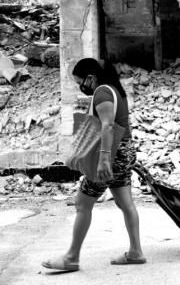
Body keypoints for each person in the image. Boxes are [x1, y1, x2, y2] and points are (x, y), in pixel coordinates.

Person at [42, 58, 146, 271]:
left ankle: (71, 257)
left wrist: (104, 159)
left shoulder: (102, 92)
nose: (81, 86)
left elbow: (107, 126)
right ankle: (135, 252)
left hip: (111, 156)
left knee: (82, 203)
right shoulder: (115, 90)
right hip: (124, 152)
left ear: (90, 77)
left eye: (80, 81)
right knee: (125, 203)